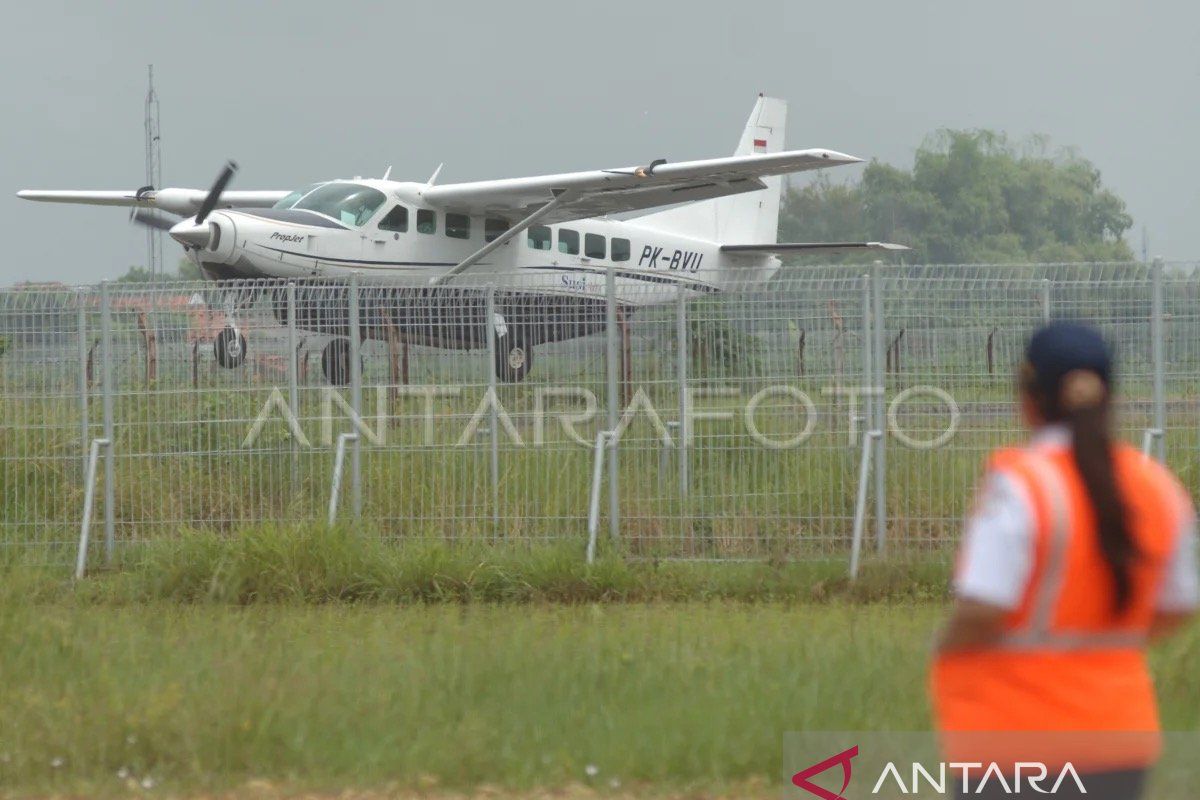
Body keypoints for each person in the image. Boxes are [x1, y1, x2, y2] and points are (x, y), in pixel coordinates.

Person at [930, 322, 1198, 799]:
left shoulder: (1020, 484)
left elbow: (984, 605)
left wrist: (943, 648)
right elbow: (1179, 603)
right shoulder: (1156, 485)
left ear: (1029, 397)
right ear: (1110, 396)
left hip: (1013, 740)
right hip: (1120, 740)